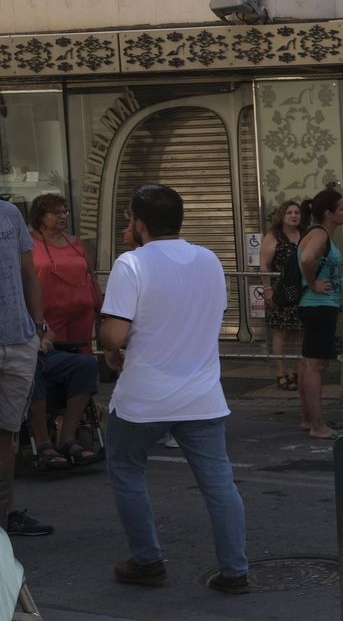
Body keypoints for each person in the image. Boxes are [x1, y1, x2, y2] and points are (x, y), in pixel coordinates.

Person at [99, 184, 251, 593]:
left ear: (139, 223)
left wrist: (116, 345)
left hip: (143, 397)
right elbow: (204, 318)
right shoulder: (209, 260)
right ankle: (235, 570)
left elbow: (113, 335)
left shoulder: (130, 264)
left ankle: (147, 560)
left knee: (127, 470)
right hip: (202, 394)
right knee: (219, 484)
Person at [25, 194, 102, 468]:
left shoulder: (76, 242)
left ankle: (73, 432)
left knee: (82, 363)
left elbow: (89, 275)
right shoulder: (30, 244)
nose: (62, 217)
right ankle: (46, 436)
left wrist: (101, 304)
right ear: (40, 217)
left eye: (64, 212)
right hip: (47, 318)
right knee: (42, 364)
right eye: (55, 213)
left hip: (81, 312)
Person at [0, 198, 50, 537]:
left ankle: (7, 513)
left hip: (18, 339)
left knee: (7, 434)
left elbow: (28, 272)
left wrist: (38, 327)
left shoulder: (9, 212)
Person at [296, 190, 343, 440]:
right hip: (319, 304)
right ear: (329, 213)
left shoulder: (319, 233)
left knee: (309, 363)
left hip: (315, 305)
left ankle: (309, 419)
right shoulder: (319, 234)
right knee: (316, 365)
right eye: (341, 208)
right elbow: (306, 258)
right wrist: (314, 283)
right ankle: (317, 424)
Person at [260, 200, 305, 390]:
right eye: (289, 213)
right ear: (282, 216)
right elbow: (264, 265)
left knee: (299, 331)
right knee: (281, 331)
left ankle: (297, 371)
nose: (294, 216)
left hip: (302, 290)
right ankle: (281, 372)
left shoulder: (304, 235)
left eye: (296, 212)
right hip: (280, 290)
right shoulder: (273, 236)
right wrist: (267, 289)